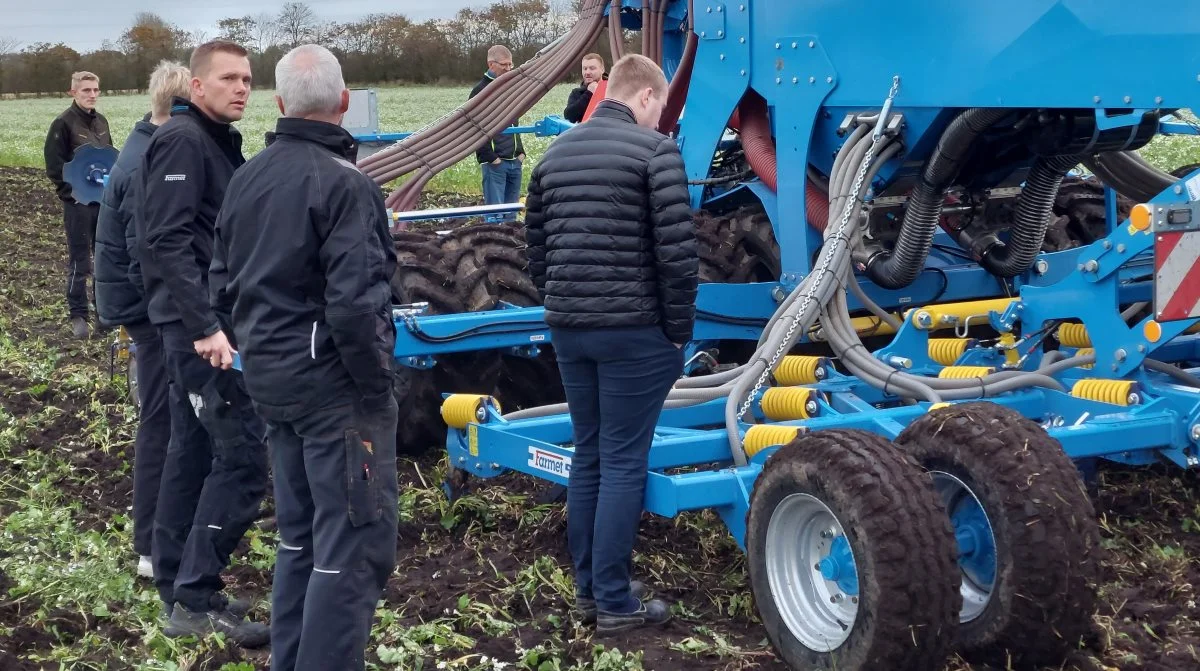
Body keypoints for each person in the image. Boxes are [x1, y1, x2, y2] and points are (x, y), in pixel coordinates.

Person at [208, 44, 399, 670]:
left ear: (281, 102)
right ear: (344, 104)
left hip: (270, 383)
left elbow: (221, 285)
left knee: (300, 538)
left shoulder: (247, 177)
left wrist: (262, 349)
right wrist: (376, 389)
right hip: (335, 396)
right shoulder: (348, 187)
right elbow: (354, 307)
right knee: (352, 546)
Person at [522, 53, 698, 634]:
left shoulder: (555, 154)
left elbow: (537, 249)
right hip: (634, 332)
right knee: (624, 460)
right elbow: (676, 257)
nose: (661, 118)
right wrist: (677, 332)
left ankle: (590, 591)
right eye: (661, 107)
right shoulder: (656, 153)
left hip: (570, 329)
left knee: (590, 455)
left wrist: (562, 305)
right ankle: (617, 603)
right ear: (645, 96)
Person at [137, 39, 269, 647]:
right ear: (196, 86)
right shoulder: (184, 143)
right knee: (242, 455)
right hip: (198, 330)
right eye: (228, 79)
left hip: (197, 325)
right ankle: (193, 597)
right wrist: (205, 328)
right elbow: (164, 242)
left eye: (247, 78)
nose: (241, 87)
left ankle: (174, 579)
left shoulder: (215, 141)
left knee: (190, 449)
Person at [94, 59, 192, 581]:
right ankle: (152, 547)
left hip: (143, 309)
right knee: (162, 423)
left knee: (171, 420)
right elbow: (145, 258)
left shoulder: (144, 148)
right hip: (149, 315)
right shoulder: (147, 165)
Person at [44, 70, 113, 339]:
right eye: (86, 90)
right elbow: (54, 166)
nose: (92, 95)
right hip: (78, 204)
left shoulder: (102, 122)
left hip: (102, 202)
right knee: (80, 260)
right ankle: (78, 315)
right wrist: (71, 195)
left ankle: (103, 316)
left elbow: (110, 157)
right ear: (73, 92)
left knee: (104, 259)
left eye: (96, 90)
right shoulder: (63, 123)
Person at [469, 44, 525, 222]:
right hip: (495, 163)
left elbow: (514, 122)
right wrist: (490, 157)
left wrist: (521, 152)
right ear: (491, 64)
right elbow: (474, 128)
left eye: (510, 65)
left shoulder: (511, 88)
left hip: (514, 161)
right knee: (495, 216)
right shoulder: (480, 91)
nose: (508, 69)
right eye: (504, 65)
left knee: (511, 216)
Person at [563, 53, 608, 123]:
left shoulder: (613, 90)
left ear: (602, 70)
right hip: (586, 132)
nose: (587, 72)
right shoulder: (577, 93)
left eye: (592, 68)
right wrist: (588, 94)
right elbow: (569, 116)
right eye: (585, 68)